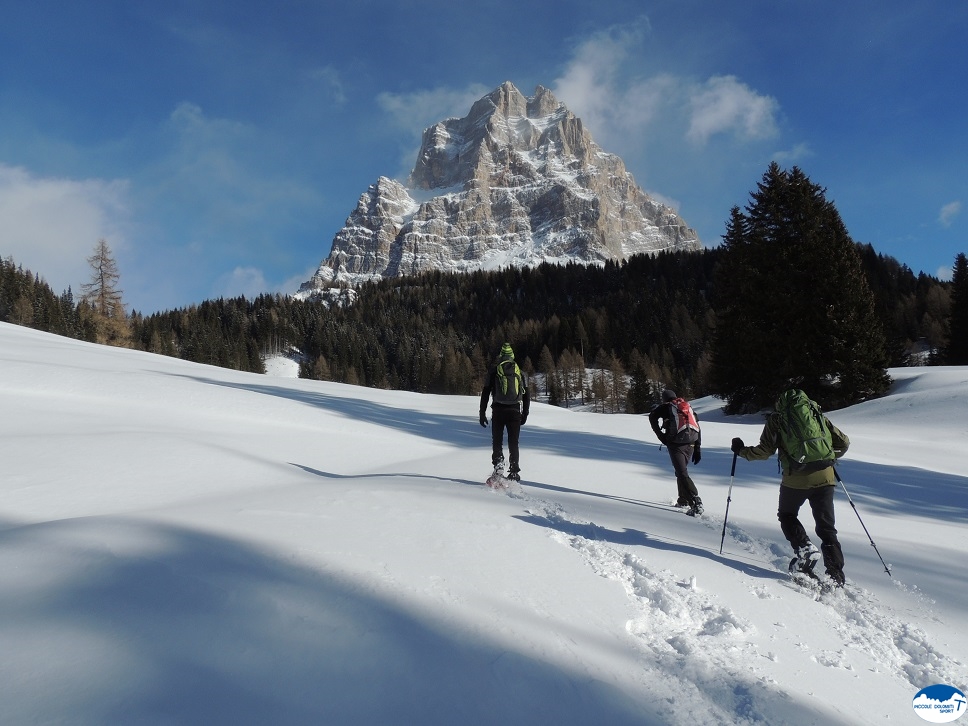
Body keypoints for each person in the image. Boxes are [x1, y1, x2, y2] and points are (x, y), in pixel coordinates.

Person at [731, 389, 850, 586]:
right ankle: (835, 575)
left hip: (796, 479)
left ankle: (804, 547)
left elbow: (763, 452)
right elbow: (843, 443)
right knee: (827, 528)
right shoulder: (815, 414)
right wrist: (826, 458)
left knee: (786, 514)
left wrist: (741, 450)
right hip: (826, 477)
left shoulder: (777, 420)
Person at [648, 389, 703, 516]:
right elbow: (698, 427)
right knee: (681, 471)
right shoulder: (687, 407)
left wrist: (661, 436)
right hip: (691, 444)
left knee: (682, 472)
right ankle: (683, 500)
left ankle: (696, 501)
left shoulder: (666, 407)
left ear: (664, 399)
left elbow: (652, 417)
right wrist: (698, 448)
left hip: (676, 445)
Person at [480, 343, 530, 480]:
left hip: (498, 411)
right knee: (513, 442)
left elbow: (485, 393)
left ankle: (499, 466)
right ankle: (514, 471)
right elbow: (526, 394)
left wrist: (482, 413)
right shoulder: (520, 372)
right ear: (512, 356)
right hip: (515, 411)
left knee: (497, 440)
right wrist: (525, 413)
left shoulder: (494, 371)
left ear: (501, 356)